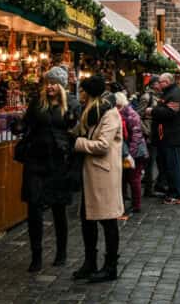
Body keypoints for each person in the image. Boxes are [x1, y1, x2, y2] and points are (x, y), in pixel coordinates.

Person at [19, 67, 77, 272]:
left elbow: (76, 131)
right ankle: (36, 255)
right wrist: (19, 128)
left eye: (54, 83)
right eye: (47, 82)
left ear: (62, 85)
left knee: (59, 208)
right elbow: (27, 124)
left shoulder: (71, 104)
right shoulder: (37, 103)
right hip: (36, 160)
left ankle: (61, 252)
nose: (50, 86)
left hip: (59, 163)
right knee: (34, 207)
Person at [72, 76, 124, 283]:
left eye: (82, 90)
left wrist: (77, 143)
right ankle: (90, 262)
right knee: (87, 219)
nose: (80, 94)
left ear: (89, 92)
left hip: (103, 173)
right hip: (90, 174)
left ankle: (110, 266)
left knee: (108, 220)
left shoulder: (109, 113)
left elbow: (102, 145)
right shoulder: (90, 111)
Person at [152, 72, 180, 204]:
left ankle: (177, 195)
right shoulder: (169, 93)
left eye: (160, 82)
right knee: (167, 165)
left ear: (167, 82)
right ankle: (169, 190)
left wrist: (153, 111)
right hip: (166, 136)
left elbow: (170, 113)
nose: (158, 84)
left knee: (173, 166)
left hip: (171, 136)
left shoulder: (175, 94)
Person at [115, 92, 146, 214]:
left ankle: (136, 205)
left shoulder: (131, 115)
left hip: (136, 152)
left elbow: (136, 137)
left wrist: (130, 155)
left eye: (118, 105)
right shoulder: (120, 113)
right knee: (125, 178)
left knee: (134, 179)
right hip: (126, 151)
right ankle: (124, 201)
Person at [137, 79, 161, 197]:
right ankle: (148, 189)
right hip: (149, 133)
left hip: (156, 132)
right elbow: (138, 116)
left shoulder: (156, 96)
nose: (160, 84)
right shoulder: (146, 97)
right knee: (149, 162)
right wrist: (146, 132)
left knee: (153, 160)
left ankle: (151, 187)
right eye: (158, 82)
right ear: (153, 84)